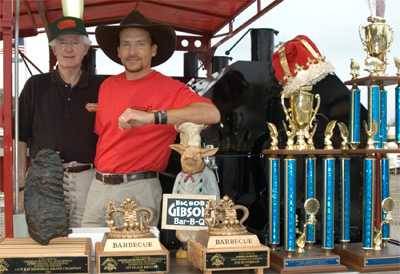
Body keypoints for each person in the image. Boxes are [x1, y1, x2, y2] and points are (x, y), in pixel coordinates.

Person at [81, 10, 220, 227]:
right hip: (98, 187)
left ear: (153, 49)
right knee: (90, 256)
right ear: (118, 51)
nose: (132, 51)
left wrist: (152, 117)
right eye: (126, 44)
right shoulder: (107, 86)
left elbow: (211, 114)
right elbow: (107, 137)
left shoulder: (170, 88)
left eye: (140, 44)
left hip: (139, 190)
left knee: (133, 260)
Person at [18, 16, 104, 227]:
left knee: (87, 241)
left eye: (75, 42)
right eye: (62, 43)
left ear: (86, 49)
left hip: (88, 179)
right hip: (43, 178)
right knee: (45, 240)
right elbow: (20, 138)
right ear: (54, 49)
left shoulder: (102, 86)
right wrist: (20, 186)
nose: (68, 49)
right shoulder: (35, 86)